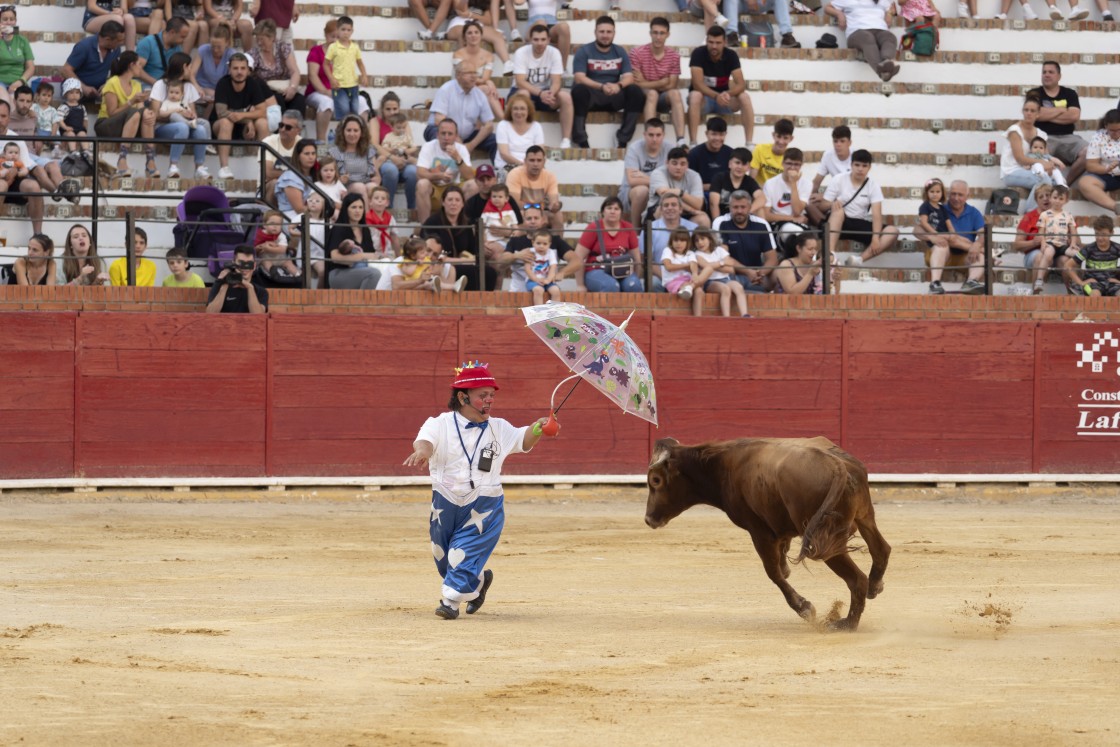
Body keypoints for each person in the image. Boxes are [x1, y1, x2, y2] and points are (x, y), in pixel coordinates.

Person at [403, 361, 548, 620]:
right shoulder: (440, 423)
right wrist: (423, 452)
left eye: (492, 395)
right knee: (443, 558)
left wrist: (538, 428)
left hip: (485, 503)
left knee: (462, 554)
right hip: (445, 502)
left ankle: (449, 603)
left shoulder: (499, 427)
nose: (489, 400)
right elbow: (425, 440)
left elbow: (522, 439)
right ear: (462, 396)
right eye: (483, 395)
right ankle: (479, 581)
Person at [570, 15, 644, 149]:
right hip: (592, 96)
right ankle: (581, 139)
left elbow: (629, 77)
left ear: (614, 33)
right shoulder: (584, 51)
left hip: (613, 95)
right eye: (602, 31)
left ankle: (623, 139)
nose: (605, 35)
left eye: (609, 32)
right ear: (595, 33)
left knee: (636, 91)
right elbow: (579, 77)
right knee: (578, 90)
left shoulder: (620, 51)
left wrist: (618, 85)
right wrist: (601, 86)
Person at [824, 149, 899, 265]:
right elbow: (823, 204)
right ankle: (830, 255)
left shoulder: (873, 186)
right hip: (839, 222)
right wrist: (832, 204)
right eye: (857, 165)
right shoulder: (839, 179)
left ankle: (858, 260)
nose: (860, 169)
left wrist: (875, 238)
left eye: (864, 166)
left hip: (859, 224)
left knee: (892, 231)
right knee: (838, 212)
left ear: (869, 167)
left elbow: (876, 215)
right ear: (851, 165)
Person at [149, 52, 213, 180]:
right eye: (189, 67)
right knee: (182, 127)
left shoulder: (188, 87)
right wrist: (176, 113)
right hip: (163, 126)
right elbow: (155, 115)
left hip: (187, 124)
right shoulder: (160, 84)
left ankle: (199, 168)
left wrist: (190, 115)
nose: (191, 71)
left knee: (200, 129)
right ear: (184, 67)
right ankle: (173, 166)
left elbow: (193, 113)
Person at [95, 51, 159, 178]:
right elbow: (111, 112)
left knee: (145, 113)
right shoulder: (112, 82)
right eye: (139, 64)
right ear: (131, 65)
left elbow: (140, 110)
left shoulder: (136, 84)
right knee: (135, 113)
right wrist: (132, 101)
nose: (141, 68)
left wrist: (149, 112)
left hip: (129, 125)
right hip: (106, 125)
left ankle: (150, 160)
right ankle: (122, 159)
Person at [687, 26, 754, 148]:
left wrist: (727, 94)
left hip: (724, 100)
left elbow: (741, 84)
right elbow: (697, 84)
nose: (714, 46)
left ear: (725, 42)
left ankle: (749, 143)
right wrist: (716, 96)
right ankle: (693, 143)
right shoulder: (698, 53)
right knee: (695, 95)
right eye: (711, 42)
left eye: (718, 43)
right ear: (706, 41)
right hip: (704, 100)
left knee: (744, 97)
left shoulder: (731, 55)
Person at [211, 52, 274, 179]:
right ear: (229, 70)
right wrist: (247, 119)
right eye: (235, 68)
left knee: (262, 123)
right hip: (222, 128)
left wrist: (245, 118)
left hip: (246, 129)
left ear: (248, 70)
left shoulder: (253, 84)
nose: (239, 72)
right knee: (225, 122)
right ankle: (224, 168)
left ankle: (264, 169)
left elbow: (262, 111)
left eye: (243, 68)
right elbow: (221, 112)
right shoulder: (223, 83)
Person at [510, 23, 574, 148]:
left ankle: (566, 140)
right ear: (530, 40)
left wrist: (551, 93)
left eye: (543, 39)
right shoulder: (521, 52)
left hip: (544, 93)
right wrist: (540, 93)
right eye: (536, 39)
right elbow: (520, 81)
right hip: (523, 91)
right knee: (524, 94)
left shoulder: (554, 52)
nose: (540, 43)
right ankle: (523, 139)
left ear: (549, 40)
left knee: (565, 97)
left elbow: (556, 81)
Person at [421, 185, 494, 290]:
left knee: (489, 272)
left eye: (457, 200)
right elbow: (432, 254)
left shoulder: (466, 223)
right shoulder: (433, 222)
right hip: (440, 265)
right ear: (443, 202)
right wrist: (464, 260)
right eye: (450, 200)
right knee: (467, 271)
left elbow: (472, 250)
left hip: (461, 263)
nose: (453, 203)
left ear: (462, 204)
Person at [1027, 61, 1087, 187]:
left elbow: (1074, 116)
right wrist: (1061, 110)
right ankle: (1045, 189)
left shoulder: (1070, 94)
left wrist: (1045, 113)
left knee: (1089, 152)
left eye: (1051, 72)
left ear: (1059, 76)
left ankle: (1064, 185)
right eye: (1044, 72)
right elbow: (1036, 115)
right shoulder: (1034, 94)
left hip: (1068, 137)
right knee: (1038, 158)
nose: (1047, 75)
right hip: (1044, 137)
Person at [629, 17, 685, 147]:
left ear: (667, 35)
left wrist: (646, 82)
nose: (658, 37)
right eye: (655, 32)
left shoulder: (674, 56)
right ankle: (650, 136)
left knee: (675, 93)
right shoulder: (637, 53)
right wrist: (661, 82)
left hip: (663, 98)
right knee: (652, 94)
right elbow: (635, 82)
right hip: (643, 96)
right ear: (650, 33)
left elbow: (671, 84)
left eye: (662, 33)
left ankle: (681, 140)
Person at [424, 65, 497, 163]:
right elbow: (439, 119)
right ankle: (440, 174)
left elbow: (489, 125)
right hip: (439, 128)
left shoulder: (479, 95)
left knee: (496, 141)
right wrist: (456, 137)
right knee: (444, 137)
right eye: (469, 73)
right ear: (458, 75)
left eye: (475, 73)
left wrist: (471, 145)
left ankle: (500, 173)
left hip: (467, 135)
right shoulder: (446, 89)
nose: (473, 76)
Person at [1001, 95, 1061, 213]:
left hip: (1031, 171)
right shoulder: (1015, 131)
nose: (1028, 113)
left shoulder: (1041, 134)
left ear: (1038, 114)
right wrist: (1043, 163)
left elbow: (1046, 156)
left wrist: (1049, 166)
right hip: (1012, 171)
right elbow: (1020, 159)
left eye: (1032, 111)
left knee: (1055, 183)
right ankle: (1030, 213)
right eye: (1026, 110)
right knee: (1043, 180)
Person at [498, 203, 579, 289]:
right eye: (529, 218)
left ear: (543, 220)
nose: (533, 221)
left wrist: (562, 273)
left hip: (547, 290)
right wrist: (516, 255)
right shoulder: (515, 240)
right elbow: (500, 264)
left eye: (536, 218)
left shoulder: (555, 240)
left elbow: (577, 261)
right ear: (523, 221)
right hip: (519, 292)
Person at [713, 189, 779, 292]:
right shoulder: (721, 222)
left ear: (750, 207)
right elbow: (723, 257)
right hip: (732, 276)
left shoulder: (762, 224)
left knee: (778, 275)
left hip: (758, 277)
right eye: (735, 207)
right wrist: (748, 272)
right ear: (729, 207)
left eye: (743, 207)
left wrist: (759, 273)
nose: (739, 211)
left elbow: (772, 258)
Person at [928, 179, 986, 295]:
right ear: (948, 194)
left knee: (979, 254)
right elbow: (917, 229)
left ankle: (971, 282)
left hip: (963, 256)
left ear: (968, 196)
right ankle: (934, 284)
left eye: (960, 195)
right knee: (942, 246)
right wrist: (931, 237)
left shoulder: (974, 212)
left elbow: (982, 234)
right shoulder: (939, 209)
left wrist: (978, 244)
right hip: (941, 254)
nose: (956, 198)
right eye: (953, 194)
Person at [574, 196, 642, 293]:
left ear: (621, 213)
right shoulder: (593, 227)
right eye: (609, 208)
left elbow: (637, 258)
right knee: (610, 286)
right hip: (596, 269)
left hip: (623, 270)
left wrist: (635, 277)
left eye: (616, 209)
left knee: (633, 285)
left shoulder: (628, 228)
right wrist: (580, 285)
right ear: (603, 212)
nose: (612, 211)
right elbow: (578, 257)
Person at [416, 118, 478, 224]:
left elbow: (470, 176)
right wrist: (438, 176)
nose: (446, 138)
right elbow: (420, 173)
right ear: (437, 134)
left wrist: (458, 158)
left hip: (454, 189)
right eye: (443, 133)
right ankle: (425, 229)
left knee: (473, 185)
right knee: (422, 184)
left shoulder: (461, 149)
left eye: (450, 134)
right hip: (435, 190)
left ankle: (464, 225)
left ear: (456, 136)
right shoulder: (428, 146)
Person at [824, 0, 900, 82]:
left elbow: (891, 8)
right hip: (857, 32)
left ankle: (887, 62)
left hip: (880, 30)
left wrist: (889, 14)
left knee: (890, 37)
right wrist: (839, 14)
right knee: (867, 38)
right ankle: (881, 71)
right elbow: (828, 8)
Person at [0, 101, 45, 232]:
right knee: (1, 185)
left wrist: (16, 171)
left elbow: (26, 166)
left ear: (9, 118)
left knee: (34, 187)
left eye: (3, 116)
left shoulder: (16, 138)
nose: (0, 120)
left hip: (14, 181)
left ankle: (38, 235)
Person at [325, 192, 384, 290]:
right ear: (346, 209)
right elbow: (335, 257)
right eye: (354, 207)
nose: (358, 211)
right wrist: (362, 256)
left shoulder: (365, 230)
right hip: (339, 273)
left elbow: (372, 254)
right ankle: (362, 304)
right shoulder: (339, 228)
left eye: (361, 207)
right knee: (374, 274)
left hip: (361, 270)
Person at [620, 118, 672, 228]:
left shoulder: (670, 149)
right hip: (630, 192)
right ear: (644, 134)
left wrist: (644, 176)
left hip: (659, 191)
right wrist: (658, 180)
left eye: (658, 135)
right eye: (651, 135)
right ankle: (636, 232)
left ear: (663, 135)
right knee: (642, 190)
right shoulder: (634, 148)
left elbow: (673, 178)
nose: (654, 139)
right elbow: (632, 181)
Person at [640, 193, 698, 292]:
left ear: (680, 209)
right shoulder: (650, 229)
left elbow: (699, 255)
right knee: (651, 283)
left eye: (673, 205)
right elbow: (646, 260)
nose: (670, 208)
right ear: (661, 210)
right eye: (666, 205)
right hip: (660, 276)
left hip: (687, 275)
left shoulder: (693, 228)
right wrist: (669, 280)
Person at [1009, 183, 1058, 295]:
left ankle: (1073, 296)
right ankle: (1035, 294)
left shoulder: (1063, 216)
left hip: (1057, 253)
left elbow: (1076, 240)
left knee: (1066, 260)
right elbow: (1016, 245)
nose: (1045, 199)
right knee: (1039, 256)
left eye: (1048, 195)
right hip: (1034, 254)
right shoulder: (1029, 217)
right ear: (1036, 201)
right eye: (1041, 197)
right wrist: (1034, 242)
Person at [249, 18, 303, 116]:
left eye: (262, 39)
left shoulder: (282, 48)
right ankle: (280, 129)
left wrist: (292, 87)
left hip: (284, 88)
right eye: (257, 39)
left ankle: (295, 130)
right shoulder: (254, 54)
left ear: (272, 38)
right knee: (278, 100)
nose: (259, 43)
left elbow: (294, 71)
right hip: (267, 93)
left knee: (299, 100)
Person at [762, 148, 817, 244]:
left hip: (799, 222)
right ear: (782, 163)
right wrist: (792, 219)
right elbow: (766, 215)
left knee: (806, 240)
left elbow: (797, 211)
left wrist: (793, 183)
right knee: (795, 235)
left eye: (796, 164)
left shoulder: (807, 183)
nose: (792, 167)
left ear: (801, 165)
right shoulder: (770, 183)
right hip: (778, 223)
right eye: (789, 163)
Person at [453, 20, 505, 120]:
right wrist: (489, 82)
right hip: (460, 89)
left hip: (478, 90)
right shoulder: (458, 54)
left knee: (488, 91)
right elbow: (463, 79)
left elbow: (485, 78)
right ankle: (504, 121)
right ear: (464, 37)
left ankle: (504, 121)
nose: (473, 35)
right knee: (487, 89)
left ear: (481, 36)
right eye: (469, 33)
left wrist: (488, 81)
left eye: (476, 32)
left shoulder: (488, 56)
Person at [62, 21, 126, 103]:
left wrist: (108, 83)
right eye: (119, 41)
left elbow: (117, 71)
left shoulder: (116, 49)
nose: (122, 43)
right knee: (74, 96)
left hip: (98, 89)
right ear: (108, 39)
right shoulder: (84, 46)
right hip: (77, 88)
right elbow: (65, 70)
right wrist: (83, 87)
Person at [444, 0, 513, 75]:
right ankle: (465, 66)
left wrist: (470, 15)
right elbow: (461, 9)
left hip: (477, 24)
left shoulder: (483, 3)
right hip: (457, 23)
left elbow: (488, 20)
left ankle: (507, 64)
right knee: (464, 33)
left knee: (497, 35)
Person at [372, 93, 416, 211]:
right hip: (385, 160)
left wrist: (403, 157)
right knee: (391, 170)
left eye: (395, 109)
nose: (392, 112)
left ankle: (412, 209)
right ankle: (388, 208)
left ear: (399, 108)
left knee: (413, 172)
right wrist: (392, 157)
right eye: (388, 109)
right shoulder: (375, 122)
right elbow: (375, 145)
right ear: (382, 109)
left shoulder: (403, 123)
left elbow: (409, 145)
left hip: (403, 159)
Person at [1032, 184, 1079, 295]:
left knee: (1078, 254)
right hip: (1050, 243)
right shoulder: (1044, 214)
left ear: (1066, 201)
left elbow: (1073, 231)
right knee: (1048, 253)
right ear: (1051, 198)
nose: (1057, 201)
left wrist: (1073, 243)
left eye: (1061, 198)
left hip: (1063, 245)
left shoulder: (1068, 215)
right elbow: (1041, 231)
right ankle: (1039, 280)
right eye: (1055, 197)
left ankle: (1076, 283)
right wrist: (1043, 244)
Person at [648, 146, 711, 228]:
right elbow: (666, 197)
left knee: (703, 219)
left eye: (683, 164)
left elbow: (698, 204)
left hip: (685, 214)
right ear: (667, 163)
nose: (678, 167)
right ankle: (665, 240)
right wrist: (691, 210)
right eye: (674, 163)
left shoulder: (694, 176)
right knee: (665, 210)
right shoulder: (658, 173)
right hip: (661, 210)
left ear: (687, 165)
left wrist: (680, 193)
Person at [505, 146, 563, 232]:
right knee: (522, 214)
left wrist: (555, 206)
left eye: (539, 160)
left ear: (544, 162)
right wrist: (537, 212)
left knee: (557, 215)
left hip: (541, 211)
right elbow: (516, 203)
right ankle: (520, 243)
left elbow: (553, 201)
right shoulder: (514, 174)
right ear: (525, 161)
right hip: (521, 210)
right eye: (532, 160)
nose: (535, 164)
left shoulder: (550, 176)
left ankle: (557, 244)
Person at [693, 227, 750, 317]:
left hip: (726, 279)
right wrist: (722, 263)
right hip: (710, 281)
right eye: (696, 240)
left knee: (738, 287)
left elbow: (730, 269)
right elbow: (706, 266)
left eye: (703, 238)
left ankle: (745, 314)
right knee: (725, 289)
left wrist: (712, 265)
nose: (700, 242)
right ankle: (726, 317)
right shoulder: (697, 254)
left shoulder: (719, 250)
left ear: (710, 239)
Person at [329, 115, 382, 205]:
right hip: (345, 187)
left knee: (373, 187)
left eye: (356, 130)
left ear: (361, 133)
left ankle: (374, 218)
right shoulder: (335, 152)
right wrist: (340, 179)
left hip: (366, 182)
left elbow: (377, 175)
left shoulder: (368, 150)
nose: (352, 134)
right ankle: (366, 218)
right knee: (359, 187)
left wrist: (377, 179)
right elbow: (330, 177)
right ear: (343, 132)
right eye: (349, 130)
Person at [1077, 109, 1120, 218]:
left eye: (1119, 129)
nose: (1116, 133)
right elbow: (1091, 165)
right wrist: (1106, 168)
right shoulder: (1098, 137)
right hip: (1107, 174)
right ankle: (1116, 207)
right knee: (1085, 182)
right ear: (1106, 126)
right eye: (1112, 130)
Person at [326, 15, 368, 121]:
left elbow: (360, 63)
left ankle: (352, 133)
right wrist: (331, 79)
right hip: (338, 85)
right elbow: (325, 64)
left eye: (349, 30)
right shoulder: (333, 47)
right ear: (338, 30)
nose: (346, 32)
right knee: (343, 111)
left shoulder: (355, 47)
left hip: (353, 84)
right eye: (343, 29)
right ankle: (341, 133)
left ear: (352, 31)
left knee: (354, 111)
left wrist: (364, 75)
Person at [189, 20, 234, 117]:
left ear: (227, 43)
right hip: (201, 88)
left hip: (220, 91)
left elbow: (232, 79)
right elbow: (191, 73)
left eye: (219, 47)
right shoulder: (203, 50)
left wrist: (218, 93)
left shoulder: (232, 54)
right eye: (213, 46)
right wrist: (198, 87)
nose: (215, 50)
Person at [206, 245, 268, 313]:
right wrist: (224, 286)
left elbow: (259, 317)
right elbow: (210, 314)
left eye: (249, 263)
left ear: (254, 266)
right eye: (241, 262)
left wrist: (250, 288)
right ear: (233, 263)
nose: (245, 267)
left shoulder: (260, 291)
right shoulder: (221, 285)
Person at [708, 147, 764, 222]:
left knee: (760, 210)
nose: (740, 167)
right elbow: (713, 204)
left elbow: (762, 198)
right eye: (737, 163)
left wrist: (748, 211)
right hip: (723, 217)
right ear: (730, 164)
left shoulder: (749, 181)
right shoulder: (719, 178)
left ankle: (762, 233)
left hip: (742, 216)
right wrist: (717, 224)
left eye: (744, 164)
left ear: (748, 167)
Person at [260, 108, 302, 206]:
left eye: (288, 127)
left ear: (298, 130)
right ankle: (270, 215)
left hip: (294, 185)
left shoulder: (302, 144)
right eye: (281, 125)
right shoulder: (268, 142)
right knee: (276, 183)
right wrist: (292, 176)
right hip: (267, 187)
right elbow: (268, 174)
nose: (282, 129)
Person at [1070, 216, 1120, 297]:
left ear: (1112, 233)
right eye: (1097, 234)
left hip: (1112, 283)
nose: (1100, 238)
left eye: (1104, 234)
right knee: (1095, 296)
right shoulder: (1088, 248)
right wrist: (1080, 282)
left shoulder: (1117, 248)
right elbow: (1068, 265)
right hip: (1092, 284)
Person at [810, 125, 853, 220]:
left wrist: (824, 197)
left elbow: (853, 189)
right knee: (809, 204)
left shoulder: (856, 157)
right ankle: (823, 226)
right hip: (833, 198)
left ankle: (826, 227)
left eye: (842, 141)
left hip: (852, 199)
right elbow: (816, 182)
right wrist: (807, 197)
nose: (838, 144)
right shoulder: (828, 155)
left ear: (849, 143)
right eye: (835, 141)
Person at [688, 117, 732, 210]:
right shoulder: (694, 154)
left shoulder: (731, 153)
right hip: (701, 194)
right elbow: (689, 184)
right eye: (714, 134)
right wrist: (714, 187)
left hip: (725, 193)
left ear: (726, 134)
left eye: (721, 134)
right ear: (707, 134)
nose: (717, 138)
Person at [495, 94, 544, 172]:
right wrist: (524, 166)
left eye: (522, 109)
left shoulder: (536, 126)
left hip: (530, 167)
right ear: (510, 111)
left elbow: (539, 153)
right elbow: (504, 154)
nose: (519, 112)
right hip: (507, 167)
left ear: (528, 111)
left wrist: (530, 166)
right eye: (515, 109)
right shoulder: (503, 125)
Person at [135, 17, 189, 87]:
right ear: (172, 32)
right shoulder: (147, 42)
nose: (184, 41)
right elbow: (137, 69)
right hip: (147, 85)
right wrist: (156, 83)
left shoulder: (177, 48)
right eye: (182, 37)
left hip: (167, 86)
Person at [661, 227, 704, 315]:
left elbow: (693, 265)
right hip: (672, 281)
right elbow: (668, 267)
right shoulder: (668, 250)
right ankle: (689, 287)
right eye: (676, 240)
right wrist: (686, 266)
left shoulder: (690, 253)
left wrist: (695, 274)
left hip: (688, 280)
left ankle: (698, 318)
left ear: (687, 242)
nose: (679, 243)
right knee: (688, 285)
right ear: (671, 242)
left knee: (699, 291)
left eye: (682, 240)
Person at [275, 138, 318, 221]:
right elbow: (299, 209)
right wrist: (322, 212)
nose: (311, 157)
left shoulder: (315, 175)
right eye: (306, 154)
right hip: (291, 217)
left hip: (311, 214)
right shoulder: (290, 177)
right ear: (298, 156)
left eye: (313, 153)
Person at [0, 6, 34, 105]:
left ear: (15, 21)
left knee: (21, 104)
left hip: (18, 82)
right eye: (5, 19)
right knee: (5, 101)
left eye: (12, 19)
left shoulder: (22, 40)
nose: (9, 22)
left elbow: (30, 67)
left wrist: (21, 81)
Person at [520, 228, 562, 303]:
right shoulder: (530, 252)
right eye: (538, 243)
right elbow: (528, 269)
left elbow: (553, 268)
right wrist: (536, 279)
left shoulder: (551, 252)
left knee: (556, 290)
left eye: (545, 244)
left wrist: (548, 280)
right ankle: (539, 312)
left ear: (549, 244)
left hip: (548, 280)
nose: (541, 246)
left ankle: (555, 311)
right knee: (539, 290)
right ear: (533, 242)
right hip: (533, 280)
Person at [524, 0, 571, 66]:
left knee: (564, 27)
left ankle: (562, 68)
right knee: (541, 22)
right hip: (534, 26)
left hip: (551, 25)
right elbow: (518, 2)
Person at [480, 182, 519, 260]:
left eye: (500, 196)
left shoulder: (510, 212)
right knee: (490, 253)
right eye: (494, 196)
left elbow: (515, 227)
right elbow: (482, 228)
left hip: (506, 241)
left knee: (498, 256)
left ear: (506, 199)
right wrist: (484, 242)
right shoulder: (487, 212)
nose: (497, 199)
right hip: (490, 241)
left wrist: (513, 234)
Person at [751, 118, 794, 186]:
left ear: (791, 139)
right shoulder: (759, 149)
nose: (781, 141)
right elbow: (752, 179)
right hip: (759, 191)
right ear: (773, 135)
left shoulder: (791, 157)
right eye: (778, 136)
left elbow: (789, 184)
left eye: (785, 138)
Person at [58, 79, 90, 154]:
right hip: (67, 130)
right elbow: (59, 119)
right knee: (71, 134)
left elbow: (85, 120)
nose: (74, 95)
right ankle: (73, 151)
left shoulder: (82, 107)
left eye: (77, 92)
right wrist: (65, 127)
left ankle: (86, 150)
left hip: (79, 129)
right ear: (66, 94)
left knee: (82, 134)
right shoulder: (64, 107)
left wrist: (85, 129)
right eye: (71, 92)